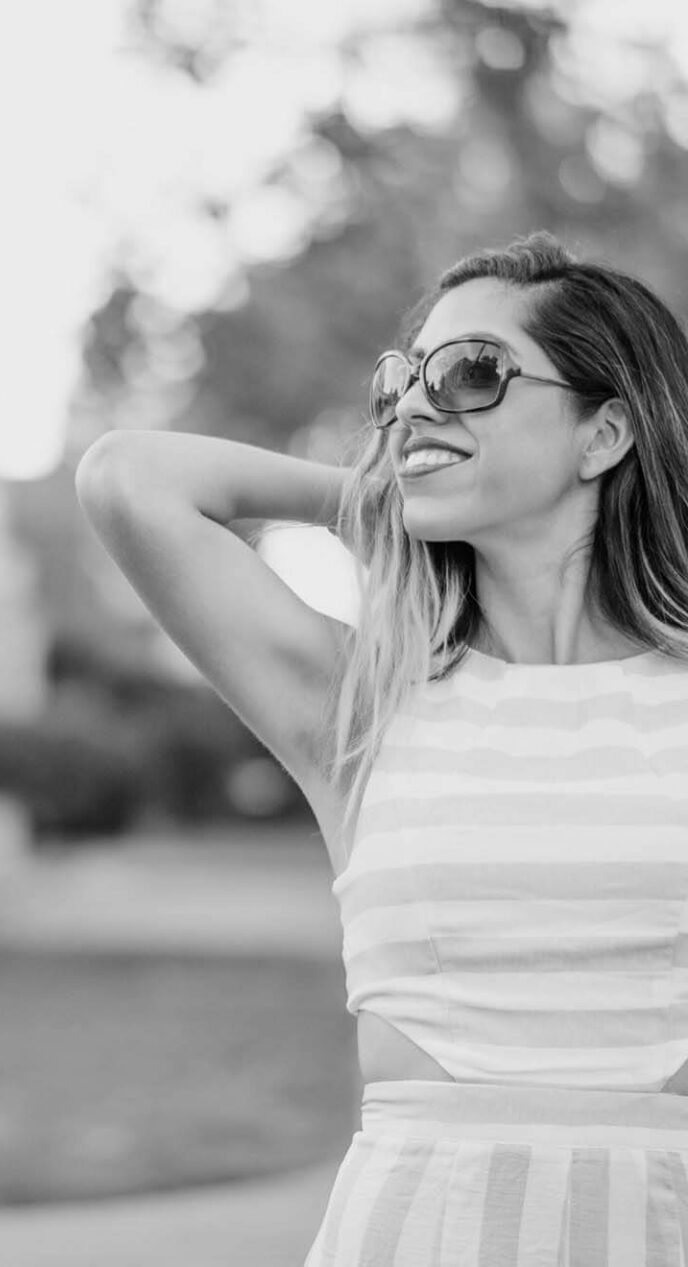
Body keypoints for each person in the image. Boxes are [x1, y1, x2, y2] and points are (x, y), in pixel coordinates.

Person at [75, 229, 688, 1264]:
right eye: (401, 383)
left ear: (605, 433)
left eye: (472, 372)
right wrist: (381, 495)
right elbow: (129, 479)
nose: (412, 407)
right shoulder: (363, 703)